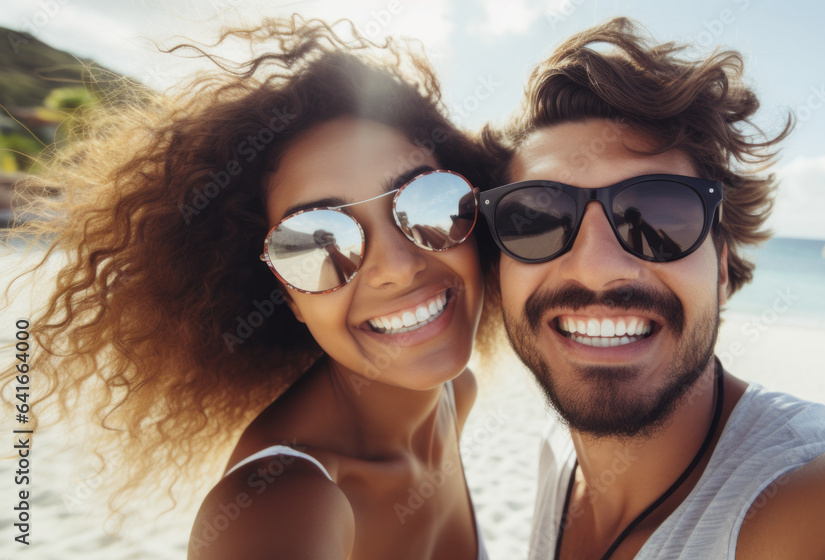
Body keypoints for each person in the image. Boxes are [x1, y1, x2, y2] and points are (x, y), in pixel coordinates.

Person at [477, 17, 825, 560]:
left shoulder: (786, 496)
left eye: (658, 215)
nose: (596, 268)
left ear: (723, 271)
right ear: (497, 276)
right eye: (536, 220)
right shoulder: (558, 451)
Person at [3, 17, 498, 559]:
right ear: (285, 294)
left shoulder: (456, 395)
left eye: (427, 203)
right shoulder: (282, 502)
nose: (398, 268)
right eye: (313, 243)